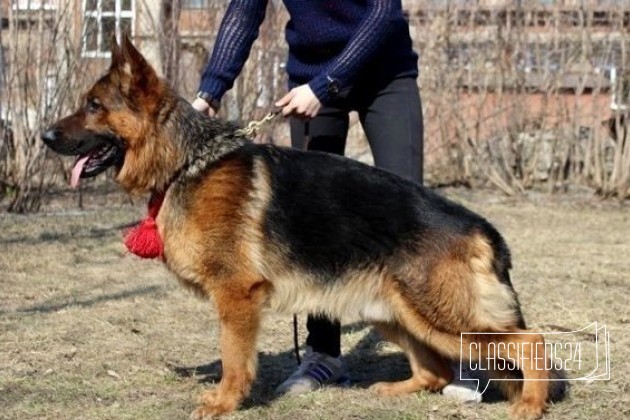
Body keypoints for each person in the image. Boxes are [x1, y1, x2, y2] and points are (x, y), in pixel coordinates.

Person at [192, 0, 423, 396]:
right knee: (315, 223)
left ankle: (456, 353)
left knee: (411, 215)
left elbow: (384, 11)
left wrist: (327, 85)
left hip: (385, 73)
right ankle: (324, 356)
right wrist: (210, 90)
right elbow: (243, 14)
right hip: (312, 77)